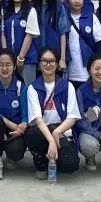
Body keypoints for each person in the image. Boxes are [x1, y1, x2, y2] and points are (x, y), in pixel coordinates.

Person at [25, 47, 81, 179]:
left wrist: (56, 132)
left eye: (52, 61)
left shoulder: (67, 86)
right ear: (39, 64)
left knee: (70, 165)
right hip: (42, 132)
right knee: (32, 135)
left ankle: (55, 159)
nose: (48, 64)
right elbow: (38, 120)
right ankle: (41, 163)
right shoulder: (33, 88)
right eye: (44, 61)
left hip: (61, 131)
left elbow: (72, 117)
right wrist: (51, 140)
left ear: (57, 64)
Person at [0, 49, 28, 180]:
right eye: (1, 64)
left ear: (14, 67)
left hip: (16, 130)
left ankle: (10, 155)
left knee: (15, 151)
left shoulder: (21, 87)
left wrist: (22, 127)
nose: (4, 68)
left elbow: (25, 115)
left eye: (8, 64)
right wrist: (14, 126)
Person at [65, 0, 101, 87]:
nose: (76, 1)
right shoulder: (63, 16)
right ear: (68, 0)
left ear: (83, 1)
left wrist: (97, 63)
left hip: (88, 68)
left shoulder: (91, 17)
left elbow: (100, 42)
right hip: (69, 67)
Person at [2, 0, 40, 84]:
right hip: (10, 60)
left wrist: (21, 58)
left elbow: (29, 35)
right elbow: (3, 34)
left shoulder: (30, 10)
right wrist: (6, 55)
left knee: (27, 88)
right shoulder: (6, 11)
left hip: (27, 59)